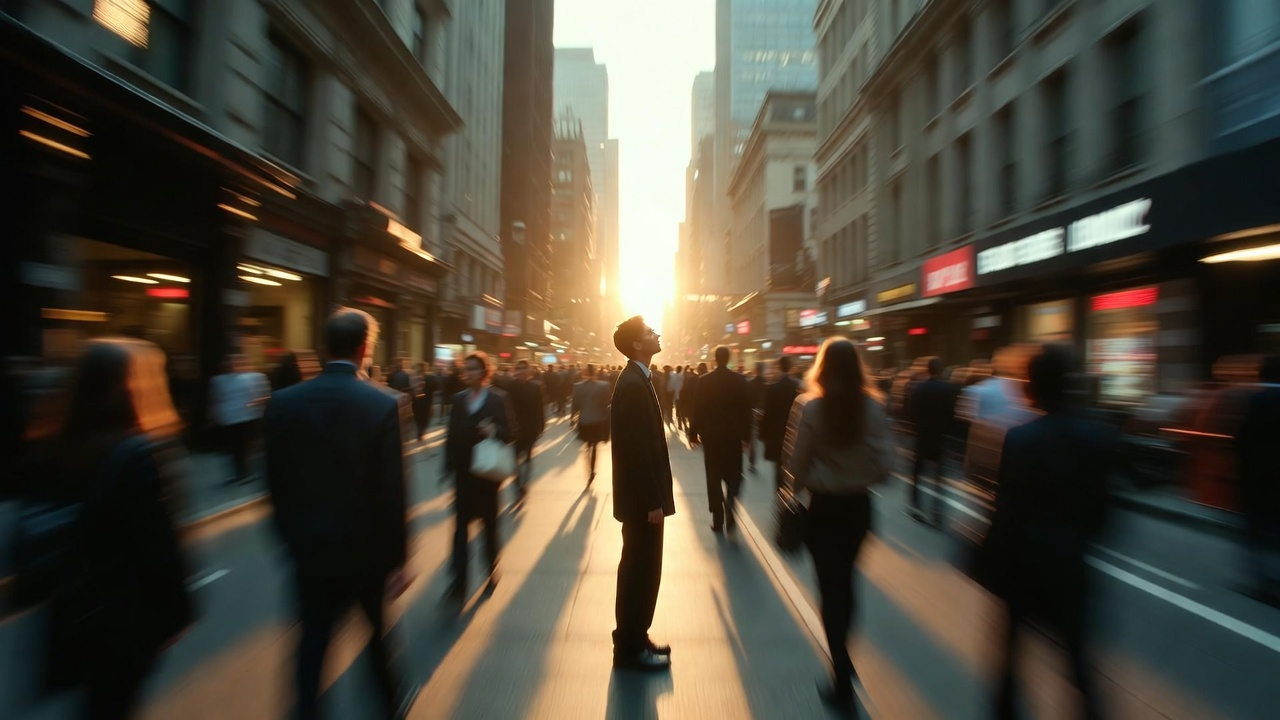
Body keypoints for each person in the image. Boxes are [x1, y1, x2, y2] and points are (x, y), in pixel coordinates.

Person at [27, 338, 192, 720]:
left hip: (70, 613)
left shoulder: (52, 445)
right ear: (131, 387)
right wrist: (177, 613)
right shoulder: (137, 455)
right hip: (123, 619)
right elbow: (158, 547)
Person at [263, 308, 413, 720]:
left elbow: (275, 483)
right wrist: (399, 558)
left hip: (310, 549)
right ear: (365, 348)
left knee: (312, 641)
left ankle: (305, 710)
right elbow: (391, 490)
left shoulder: (283, 403)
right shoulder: (381, 404)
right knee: (378, 638)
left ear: (323, 347)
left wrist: (291, 538)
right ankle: (389, 706)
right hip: (365, 553)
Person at [974, 344, 1115, 720]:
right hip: (1071, 565)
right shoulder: (1096, 436)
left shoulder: (1020, 439)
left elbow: (1006, 511)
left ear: (1030, 386)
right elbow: (1103, 511)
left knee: (1009, 661)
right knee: (1078, 666)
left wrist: (988, 557)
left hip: (1023, 567)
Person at [783, 338, 892, 712]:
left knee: (829, 590)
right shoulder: (874, 409)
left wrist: (796, 490)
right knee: (847, 582)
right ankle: (845, 660)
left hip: (824, 508)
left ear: (823, 368)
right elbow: (886, 465)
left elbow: (796, 465)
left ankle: (841, 674)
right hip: (859, 508)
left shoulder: (811, 408)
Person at [609, 316, 675, 671]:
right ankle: (630, 647)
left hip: (644, 499)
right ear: (637, 344)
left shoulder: (639, 379)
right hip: (642, 502)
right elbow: (637, 450)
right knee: (639, 570)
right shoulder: (633, 384)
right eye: (650, 332)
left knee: (643, 569)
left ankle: (637, 636)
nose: (656, 334)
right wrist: (652, 500)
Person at [443, 351, 517, 600]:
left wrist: (494, 430)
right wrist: (448, 465)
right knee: (460, 528)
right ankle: (459, 581)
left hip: (486, 475)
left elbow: (511, 432)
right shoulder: (458, 400)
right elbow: (450, 435)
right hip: (464, 474)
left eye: (475, 368)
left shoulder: (498, 399)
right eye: (467, 368)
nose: (470, 372)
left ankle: (490, 568)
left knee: (489, 526)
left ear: (486, 372)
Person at [689, 346, 751, 533]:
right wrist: (746, 436)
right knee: (734, 474)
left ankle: (718, 517)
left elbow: (697, 408)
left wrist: (693, 433)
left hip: (711, 437)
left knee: (713, 477)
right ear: (729, 358)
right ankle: (731, 502)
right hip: (733, 436)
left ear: (715, 359)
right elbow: (746, 409)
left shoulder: (705, 381)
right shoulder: (740, 380)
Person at [1237, 355, 1280, 604]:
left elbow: (1244, 440)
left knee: (1258, 531)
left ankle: (1264, 584)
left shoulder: (1259, 400)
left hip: (1259, 478)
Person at [908, 357, 959, 526]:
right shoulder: (950, 389)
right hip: (940, 438)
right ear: (941, 370)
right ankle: (937, 511)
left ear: (927, 370)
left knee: (917, 474)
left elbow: (912, 413)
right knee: (939, 477)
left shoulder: (919, 389)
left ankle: (916, 506)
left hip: (922, 437)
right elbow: (952, 417)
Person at [209, 354, 270, 484]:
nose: (234, 366)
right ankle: (242, 472)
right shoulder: (221, 380)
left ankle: (244, 472)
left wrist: (256, 403)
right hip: (236, 417)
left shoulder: (253, 377)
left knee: (243, 446)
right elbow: (216, 399)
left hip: (244, 416)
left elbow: (264, 395)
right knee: (239, 447)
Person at [761, 355, 801, 492]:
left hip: (777, 432)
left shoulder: (773, 388)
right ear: (790, 367)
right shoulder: (798, 386)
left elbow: (768, 412)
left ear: (779, 367)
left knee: (778, 463)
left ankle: (779, 489)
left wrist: (763, 433)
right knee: (792, 463)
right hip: (793, 431)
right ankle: (789, 489)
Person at [508, 359, 546, 501]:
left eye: (524, 368)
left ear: (529, 371)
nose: (521, 371)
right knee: (515, 459)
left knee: (527, 458)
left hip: (530, 429)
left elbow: (540, 408)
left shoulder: (536, 388)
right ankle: (518, 483)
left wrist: (541, 426)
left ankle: (524, 481)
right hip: (514, 430)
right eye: (518, 368)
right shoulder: (509, 387)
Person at [572, 363, 611, 484]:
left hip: (584, 421)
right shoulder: (604, 385)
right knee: (594, 446)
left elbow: (575, 405)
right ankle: (592, 470)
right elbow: (607, 403)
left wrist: (572, 419)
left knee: (587, 446)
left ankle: (589, 468)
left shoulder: (577, 387)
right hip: (598, 421)